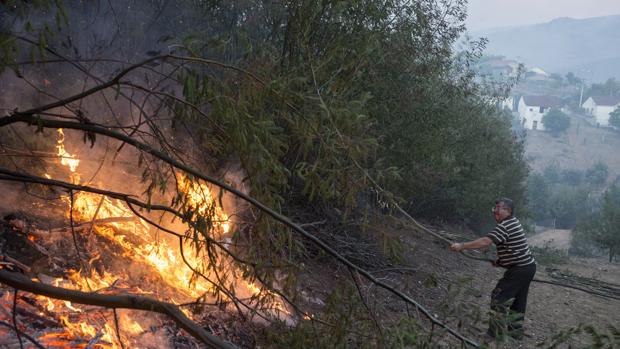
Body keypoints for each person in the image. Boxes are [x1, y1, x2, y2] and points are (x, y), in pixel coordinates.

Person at [449, 198, 536, 340]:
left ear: (508, 210)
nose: (495, 211)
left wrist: (461, 246)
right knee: (518, 300)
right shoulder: (512, 222)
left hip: (520, 269)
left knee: (498, 297)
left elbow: (485, 242)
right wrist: (501, 261)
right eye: (494, 208)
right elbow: (511, 247)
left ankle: (495, 334)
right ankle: (515, 332)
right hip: (527, 267)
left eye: (498, 208)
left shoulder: (506, 225)